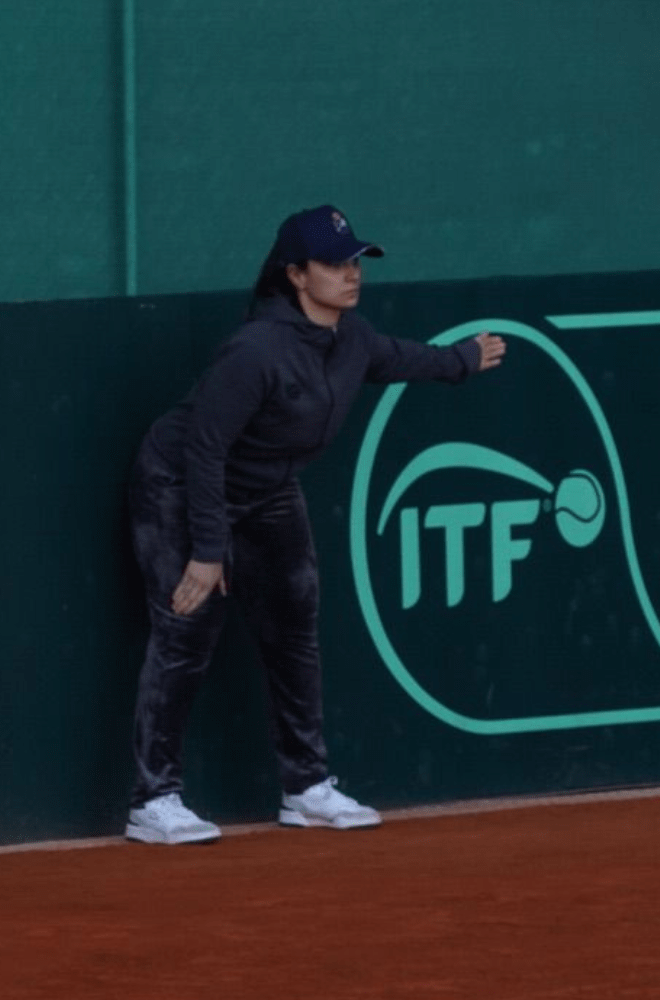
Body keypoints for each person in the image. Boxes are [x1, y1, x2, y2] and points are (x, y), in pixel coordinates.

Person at [124, 205, 507, 845]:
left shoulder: (350, 339)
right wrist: (208, 550)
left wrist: (463, 359)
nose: (351, 275)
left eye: (355, 261)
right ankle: (153, 800)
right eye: (335, 264)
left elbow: (400, 358)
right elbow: (205, 451)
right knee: (185, 635)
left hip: (267, 491)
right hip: (179, 489)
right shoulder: (254, 352)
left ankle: (306, 790)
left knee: (295, 632)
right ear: (297, 274)